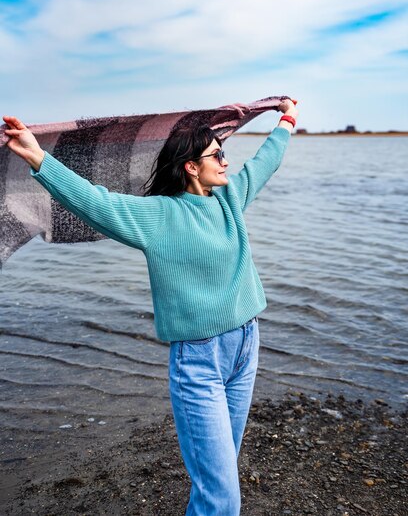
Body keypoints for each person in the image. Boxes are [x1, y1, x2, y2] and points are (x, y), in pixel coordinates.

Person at [3, 98, 298, 516]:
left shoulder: (230, 199)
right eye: (217, 155)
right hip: (199, 362)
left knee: (221, 477)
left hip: (245, 348)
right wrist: (38, 157)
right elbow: (95, 202)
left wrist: (286, 120)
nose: (227, 162)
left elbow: (266, 161)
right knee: (222, 498)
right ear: (191, 167)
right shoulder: (159, 216)